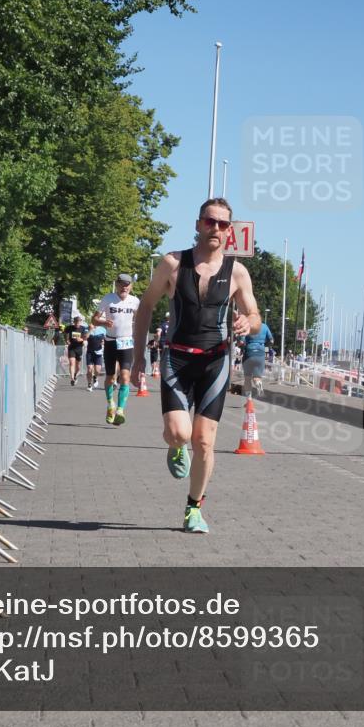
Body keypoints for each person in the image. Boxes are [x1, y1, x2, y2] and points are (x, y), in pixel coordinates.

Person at [132, 198, 261, 534]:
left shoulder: (237, 272)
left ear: (230, 231)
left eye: (222, 224)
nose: (215, 228)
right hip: (177, 358)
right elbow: (145, 307)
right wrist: (137, 360)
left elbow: (256, 316)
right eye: (210, 221)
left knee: (204, 441)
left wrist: (249, 323)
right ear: (198, 223)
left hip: (215, 362)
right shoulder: (172, 264)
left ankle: (193, 509)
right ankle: (175, 448)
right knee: (179, 434)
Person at [97, 273, 140, 425]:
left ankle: (120, 410)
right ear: (117, 284)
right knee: (110, 377)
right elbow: (94, 319)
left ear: (131, 286)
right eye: (122, 284)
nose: (124, 287)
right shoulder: (108, 299)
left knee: (125, 376)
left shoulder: (135, 301)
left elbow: (142, 319)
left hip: (127, 342)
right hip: (110, 342)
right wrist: (103, 322)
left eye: (127, 284)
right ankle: (110, 404)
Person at [243, 322, 273, 398]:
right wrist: (266, 347)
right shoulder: (265, 326)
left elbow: (242, 342)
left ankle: (249, 400)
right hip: (260, 353)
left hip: (249, 352)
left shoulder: (247, 325)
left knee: (247, 378)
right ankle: (258, 383)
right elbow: (271, 340)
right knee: (257, 377)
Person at [85, 313, 107, 391]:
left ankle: (95, 377)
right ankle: (89, 384)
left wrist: (104, 342)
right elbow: (85, 337)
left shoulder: (103, 329)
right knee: (89, 369)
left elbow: (105, 339)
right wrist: (91, 329)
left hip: (98, 352)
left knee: (97, 370)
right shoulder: (87, 328)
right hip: (90, 352)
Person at [64, 315, 88, 386]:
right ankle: (72, 379)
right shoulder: (70, 327)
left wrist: (81, 339)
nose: (77, 324)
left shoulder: (83, 329)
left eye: (78, 322)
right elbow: (65, 333)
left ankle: (75, 375)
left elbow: (85, 337)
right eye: (76, 322)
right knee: (71, 363)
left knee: (78, 367)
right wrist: (67, 340)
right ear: (74, 322)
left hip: (79, 348)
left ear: (80, 322)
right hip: (71, 348)